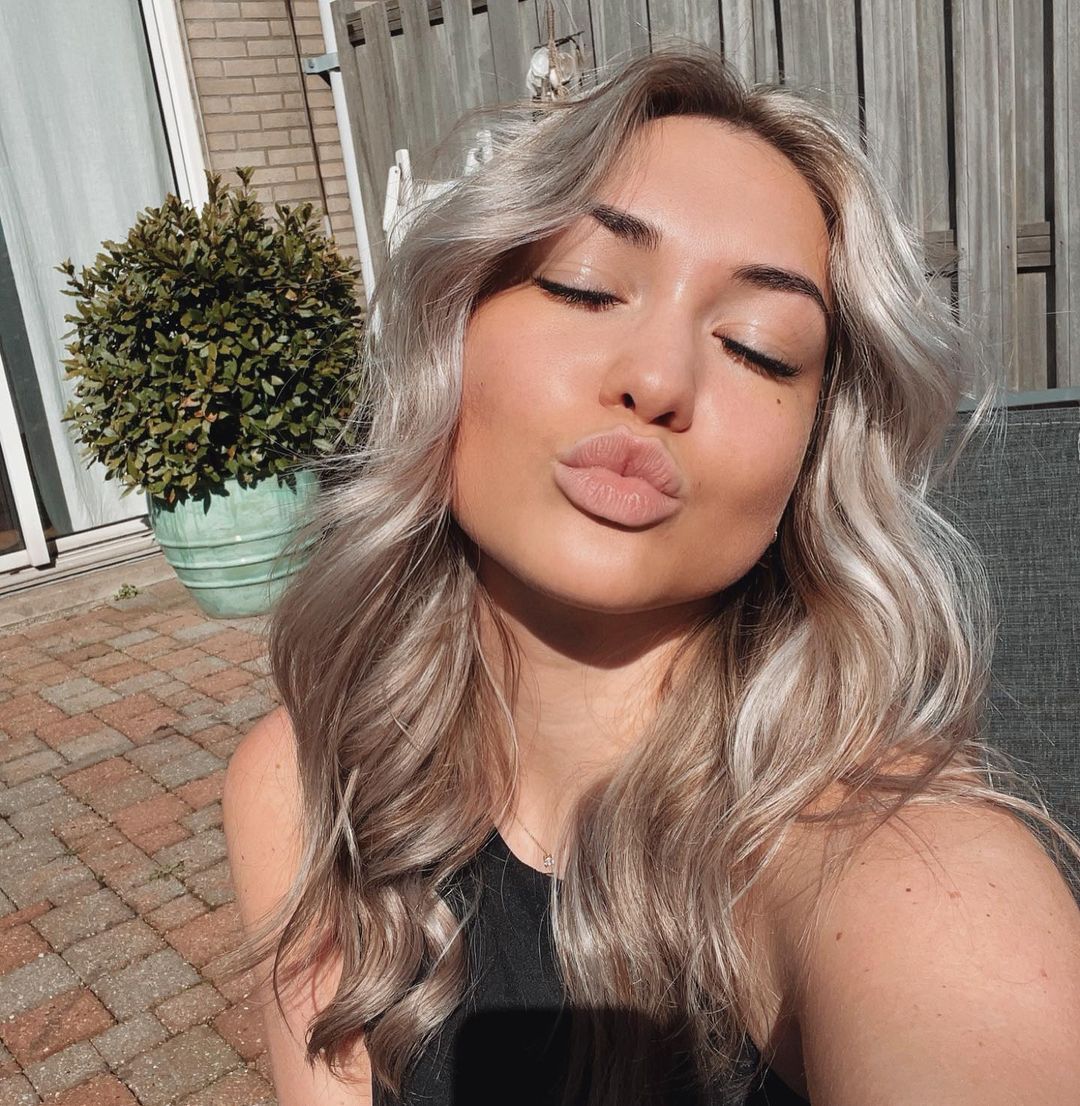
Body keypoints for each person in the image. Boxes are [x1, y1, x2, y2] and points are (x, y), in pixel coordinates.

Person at [221, 44, 1080, 1106]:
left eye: (760, 347)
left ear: (810, 458)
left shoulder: (906, 878)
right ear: (452, 333)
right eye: (585, 286)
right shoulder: (303, 787)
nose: (660, 378)